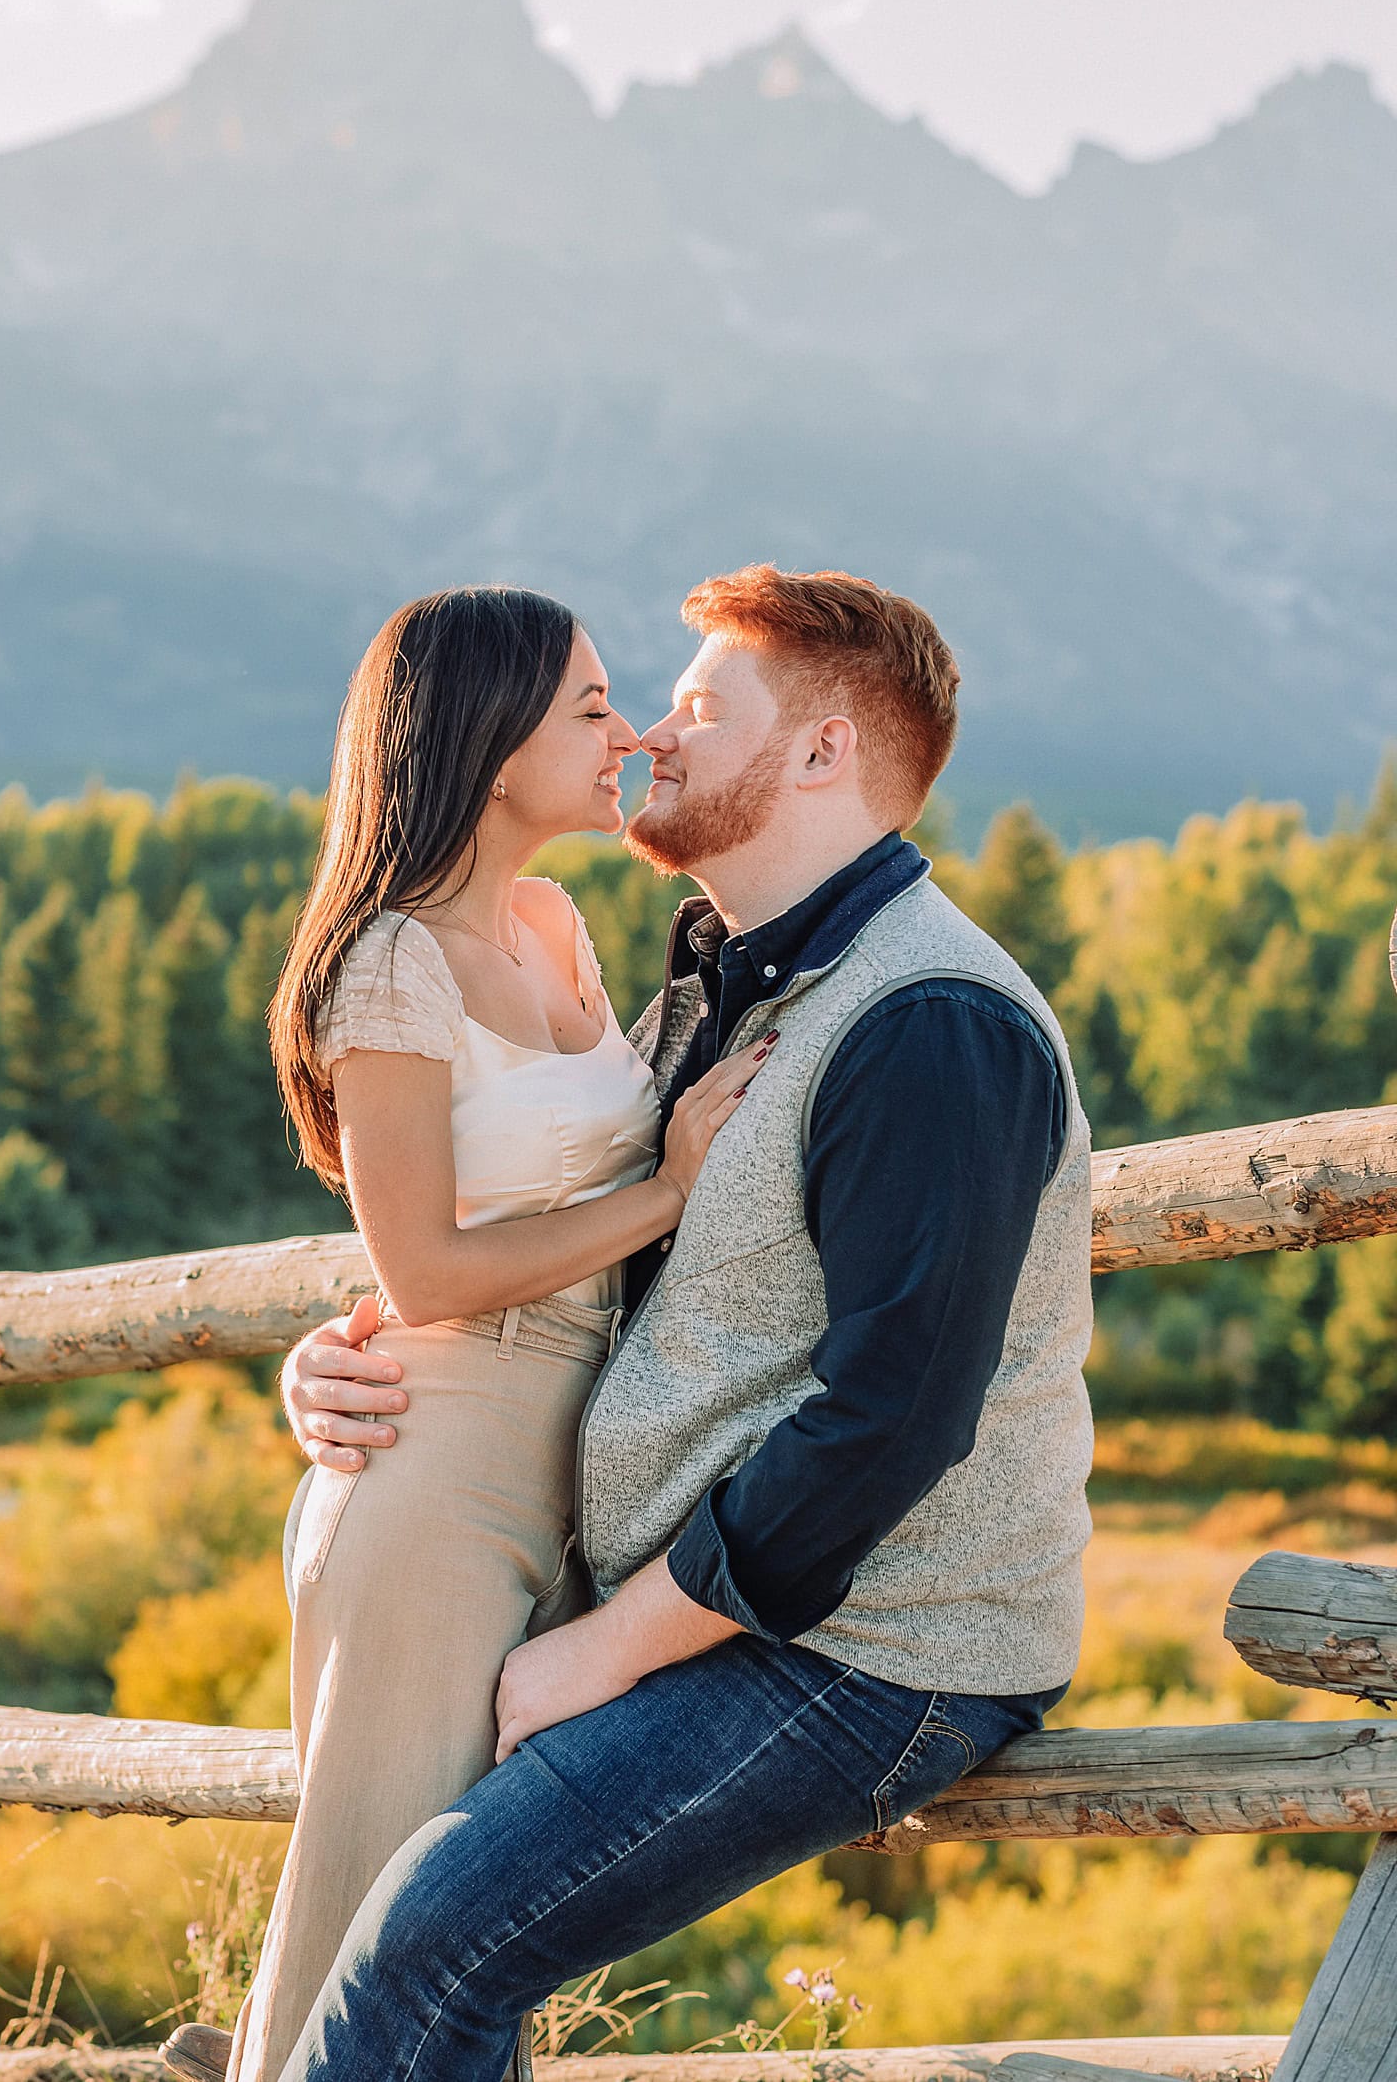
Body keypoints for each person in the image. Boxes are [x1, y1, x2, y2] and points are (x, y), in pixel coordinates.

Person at [271, 563, 1095, 2082]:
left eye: (704, 706)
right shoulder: (736, 983)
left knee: (425, 1942)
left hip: (875, 1645)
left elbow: (890, 1420)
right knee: (423, 1945)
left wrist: (603, 1654)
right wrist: (346, 1342)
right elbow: (535, 1233)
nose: (653, 730)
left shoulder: (931, 1024)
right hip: (717, 1603)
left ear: (827, 753)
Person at [161, 586, 766, 2082]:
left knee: (459, 1945)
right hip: (438, 1482)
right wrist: (673, 1185)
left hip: (565, 1466)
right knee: (368, 1930)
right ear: (496, 749)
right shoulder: (387, 965)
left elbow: (537, 1179)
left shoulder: (552, 923)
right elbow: (424, 1267)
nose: (624, 732)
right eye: (588, 707)